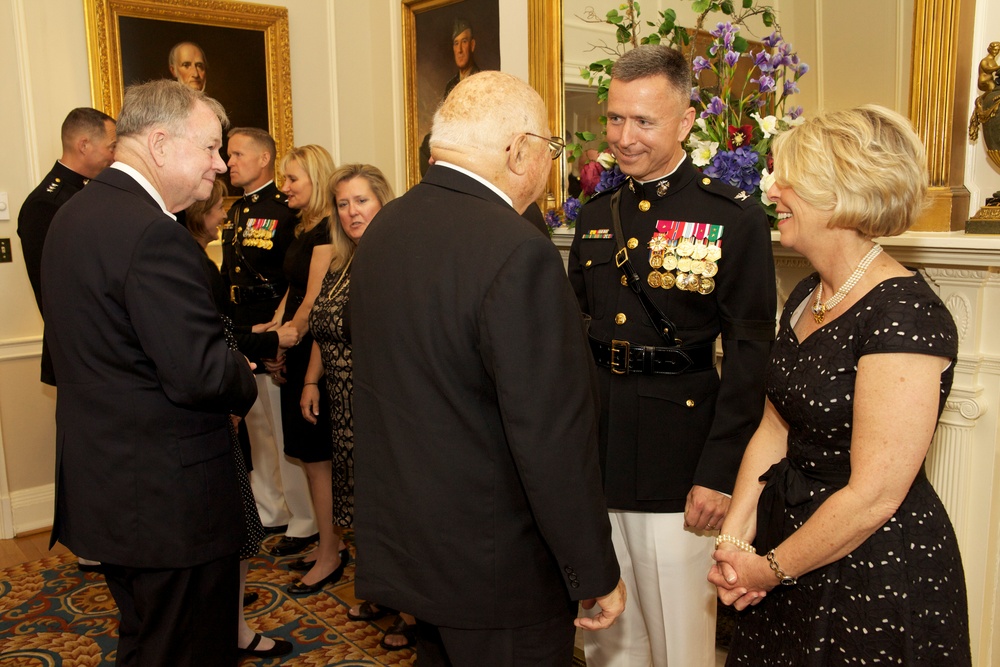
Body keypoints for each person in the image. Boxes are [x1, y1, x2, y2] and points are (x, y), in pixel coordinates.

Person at [350, 70, 626, 667]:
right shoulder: (516, 249)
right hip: (499, 567)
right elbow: (549, 434)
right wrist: (593, 569)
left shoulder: (384, 227)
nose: (549, 164)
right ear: (517, 149)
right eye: (550, 149)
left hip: (414, 545)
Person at [708, 105, 972, 665]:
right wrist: (735, 538)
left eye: (789, 178)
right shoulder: (808, 292)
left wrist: (770, 568)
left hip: (869, 567)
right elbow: (775, 425)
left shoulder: (905, 313)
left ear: (840, 193)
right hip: (786, 547)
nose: (771, 189)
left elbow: (874, 494)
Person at [567, 45, 776, 667]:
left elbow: (748, 354)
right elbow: (574, 333)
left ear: (686, 121)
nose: (623, 137)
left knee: (679, 638)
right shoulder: (598, 213)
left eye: (644, 122)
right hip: (599, 444)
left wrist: (719, 469)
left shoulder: (730, 217)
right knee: (607, 635)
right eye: (615, 119)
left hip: (681, 456)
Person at [40, 79, 257, 666]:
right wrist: (244, 368)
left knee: (148, 643)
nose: (220, 165)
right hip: (169, 501)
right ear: (160, 144)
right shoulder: (153, 234)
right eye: (211, 148)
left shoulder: (73, 214)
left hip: (110, 487)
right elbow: (202, 375)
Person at [184, 180, 294, 658]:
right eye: (216, 209)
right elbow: (222, 338)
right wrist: (273, 343)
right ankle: (235, 630)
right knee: (234, 527)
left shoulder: (192, 259)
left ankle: (221, 613)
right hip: (216, 410)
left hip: (208, 407)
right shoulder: (195, 265)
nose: (225, 219)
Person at [223, 126, 319, 555]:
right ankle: (270, 508)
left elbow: (292, 279)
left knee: (282, 431)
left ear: (263, 158)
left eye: (237, 154)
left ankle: (304, 517)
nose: (230, 162)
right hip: (245, 324)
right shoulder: (237, 211)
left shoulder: (285, 210)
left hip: (275, 325)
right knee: (258, 427)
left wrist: (280, 330)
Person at [266, 145, 347, 595]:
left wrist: (284, 341)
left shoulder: (328, 232)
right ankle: (327, 542)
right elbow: (292, 292)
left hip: (311, 349)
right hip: (294, 346)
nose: (285, 186)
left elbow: (314, 302)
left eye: (293, 178)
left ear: (316, 179)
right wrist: (274, 330)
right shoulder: (304, 229)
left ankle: (331, 552)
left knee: (318, 461)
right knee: (310, 458)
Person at [17, 107, 116, 388]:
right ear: (83, 145)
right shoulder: (46, 204)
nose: (114, 155)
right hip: (81, 355)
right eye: (111, 147)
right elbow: (53, 291)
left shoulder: (92, 194)